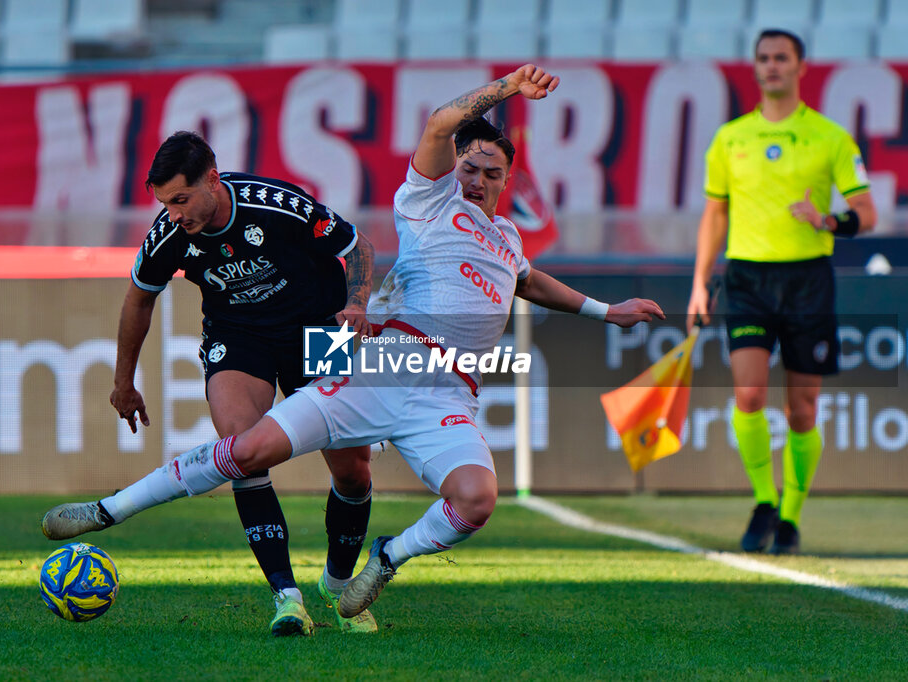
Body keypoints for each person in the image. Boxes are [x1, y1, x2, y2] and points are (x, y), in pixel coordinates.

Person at [56, 64, 663, 623]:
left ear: (507, 179)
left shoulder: (507, 238)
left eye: (491, 173)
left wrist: (608, 311)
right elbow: (439, 125)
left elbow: (529, 282)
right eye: (469, 167)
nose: (476, 180)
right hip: (381, 363)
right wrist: (508, 86)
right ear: (454, 167)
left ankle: (385, 558)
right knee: (246, 450)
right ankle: (112, 511)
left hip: (447, 392)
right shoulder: (427, 200)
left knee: (471, 499)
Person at [42, 131, 380, 636]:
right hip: (240, 337)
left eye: (180, 199)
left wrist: (356, 304)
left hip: (318, 331)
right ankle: (286, 598)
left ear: (213, 181)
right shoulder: (169, 234)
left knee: (354, 469)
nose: (174, 214)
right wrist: (123, 380)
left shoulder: (278, 204)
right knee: (242, 449)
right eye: (164, 203)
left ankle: (336, 586)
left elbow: (357, 247)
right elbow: (139, 297)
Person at [687, 29, 876, 555]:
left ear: (801, 67)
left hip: (808, 279)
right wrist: (700, 283)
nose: (771, 66)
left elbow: (867, 213)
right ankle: (764, 501)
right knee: (748, 394)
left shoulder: (830, 137)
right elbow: (715, 213)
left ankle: (790, 517)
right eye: (763, 58)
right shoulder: (730, 138)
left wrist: (828, 219)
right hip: (747, 277)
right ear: (755, 67)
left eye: (781, 58)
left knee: (803, 409)